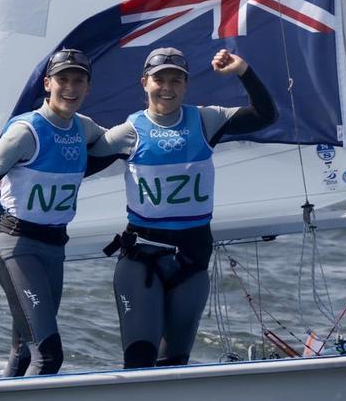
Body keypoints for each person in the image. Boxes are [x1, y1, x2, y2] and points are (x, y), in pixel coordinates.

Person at [96, 46, 277, 368]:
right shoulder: (128, 133)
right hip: (142, 260)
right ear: (144, 83)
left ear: (186, 84)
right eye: (159, 79)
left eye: (176, 80)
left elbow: (266, 116)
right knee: (139, 361)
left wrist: (242, 70)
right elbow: (71, 167)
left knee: (175, 365)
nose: (167, 87)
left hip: (192, 260)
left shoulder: (206, 120)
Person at [0, 48, 106, 377]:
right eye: (62, 80)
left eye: (78, 81)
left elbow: (110, 149)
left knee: (24, 351)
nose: (70, 88)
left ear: (88, 87)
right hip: (18, 247)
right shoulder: (24, 132)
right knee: (48, 354)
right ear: (47, 83)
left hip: (55, 250)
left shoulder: (85, 128)